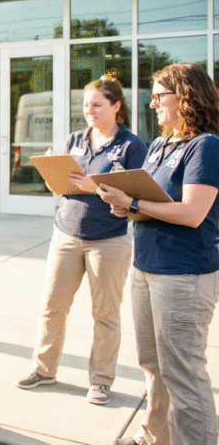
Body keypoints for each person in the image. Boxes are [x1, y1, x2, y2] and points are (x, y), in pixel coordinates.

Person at [97, 63, 219, 445]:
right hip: (145, 266)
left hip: (183, 274)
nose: (151, 105)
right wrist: (125, 205)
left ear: (184, 96)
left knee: (183, 374)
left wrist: (133, 202)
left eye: (158, 97)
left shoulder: (206, 145)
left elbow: (193, 213)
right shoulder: (161, 144)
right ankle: (154, 436)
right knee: (151, 365)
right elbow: (151, 203)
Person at [16, 77, 147, 405]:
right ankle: (44, 370)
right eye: (87, 105)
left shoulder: (131, 146)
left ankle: (101, 380)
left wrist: (95, 188)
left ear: (116, 106)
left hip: (108, 240)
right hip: (66, 234)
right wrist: (52, 176)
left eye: (97, 104)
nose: (89, 110)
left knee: (105, 314)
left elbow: (137, 196)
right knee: (52, 308)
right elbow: (63, 186)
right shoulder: (74, 139)